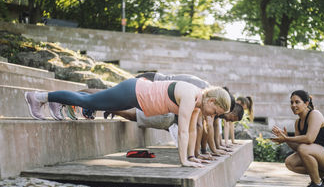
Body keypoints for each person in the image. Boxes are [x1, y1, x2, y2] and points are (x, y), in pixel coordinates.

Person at [24, 78, 231, 168]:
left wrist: (193, 157)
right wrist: (183, 161)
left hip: (136, 96)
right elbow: (183, 131)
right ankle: (38, 96)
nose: (213, 116)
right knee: (89, 101)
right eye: (215, 112)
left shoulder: (197, 103)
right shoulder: (189, 95)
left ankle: (55, 101)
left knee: (92, 101)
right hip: (133, 91)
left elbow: (193, 132)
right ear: (211, 100)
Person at [271, 90, 324, 187]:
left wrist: (287, 138)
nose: (293, 105)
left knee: (304, 148)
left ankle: (317, 185)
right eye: (291, 102)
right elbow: (298, 148)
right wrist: (286, 138)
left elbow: (309, 138)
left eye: (297, 102)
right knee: (290, 163)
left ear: (306, 103)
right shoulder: (298, 123)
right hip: (322, 156)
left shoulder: (315, 114)